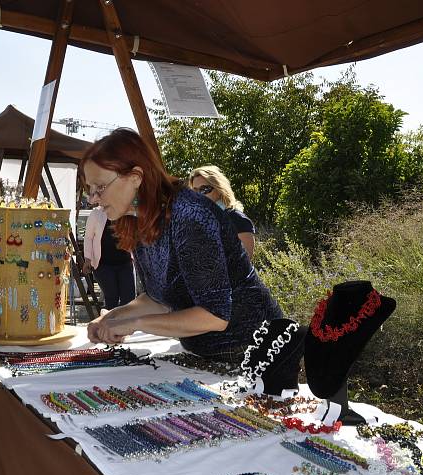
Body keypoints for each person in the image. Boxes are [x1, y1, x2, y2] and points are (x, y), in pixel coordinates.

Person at [81, 129, 283, 365]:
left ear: (135, 176)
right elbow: (157, 299)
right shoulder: (139, 221)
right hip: (206, 355)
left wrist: (134, 324)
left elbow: (215, 316)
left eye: (100, 187)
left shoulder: (190, 215)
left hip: (254, 352)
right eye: (89, 190)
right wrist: (113, 318)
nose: (93, 199)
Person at [189, 165, 257, 259]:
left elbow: (243, 264)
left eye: (204, 189)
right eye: (195, 191)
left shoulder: (237, 219)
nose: (199, 195)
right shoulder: (199, 222)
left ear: (219, 189)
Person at [82, 205, 136, 310]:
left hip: (126, 263)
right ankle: (110, 325)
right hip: (104, 265)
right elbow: (88, 237)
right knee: (112, 298)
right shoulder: (97, 213)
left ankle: (126, 326)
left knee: (129, 299)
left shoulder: (127, 211)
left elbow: (135, 235)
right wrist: (87, 259)